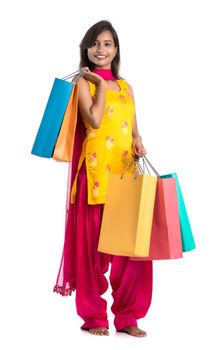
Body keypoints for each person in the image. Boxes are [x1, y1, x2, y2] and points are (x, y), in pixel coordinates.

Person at [53, 20, 153, 337]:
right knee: (93, 250)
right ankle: (94, 317)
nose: (101, 49)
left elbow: (134, 131)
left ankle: (127, 317)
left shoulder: (127, 88)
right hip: (95, 176)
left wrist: (138, 143)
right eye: (96, 43)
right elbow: (93, 120)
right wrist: (96, 82)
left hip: (125, 176)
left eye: (108, 43)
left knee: (130, 251)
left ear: (116, 50)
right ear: (87, 48)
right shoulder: (85, 85)